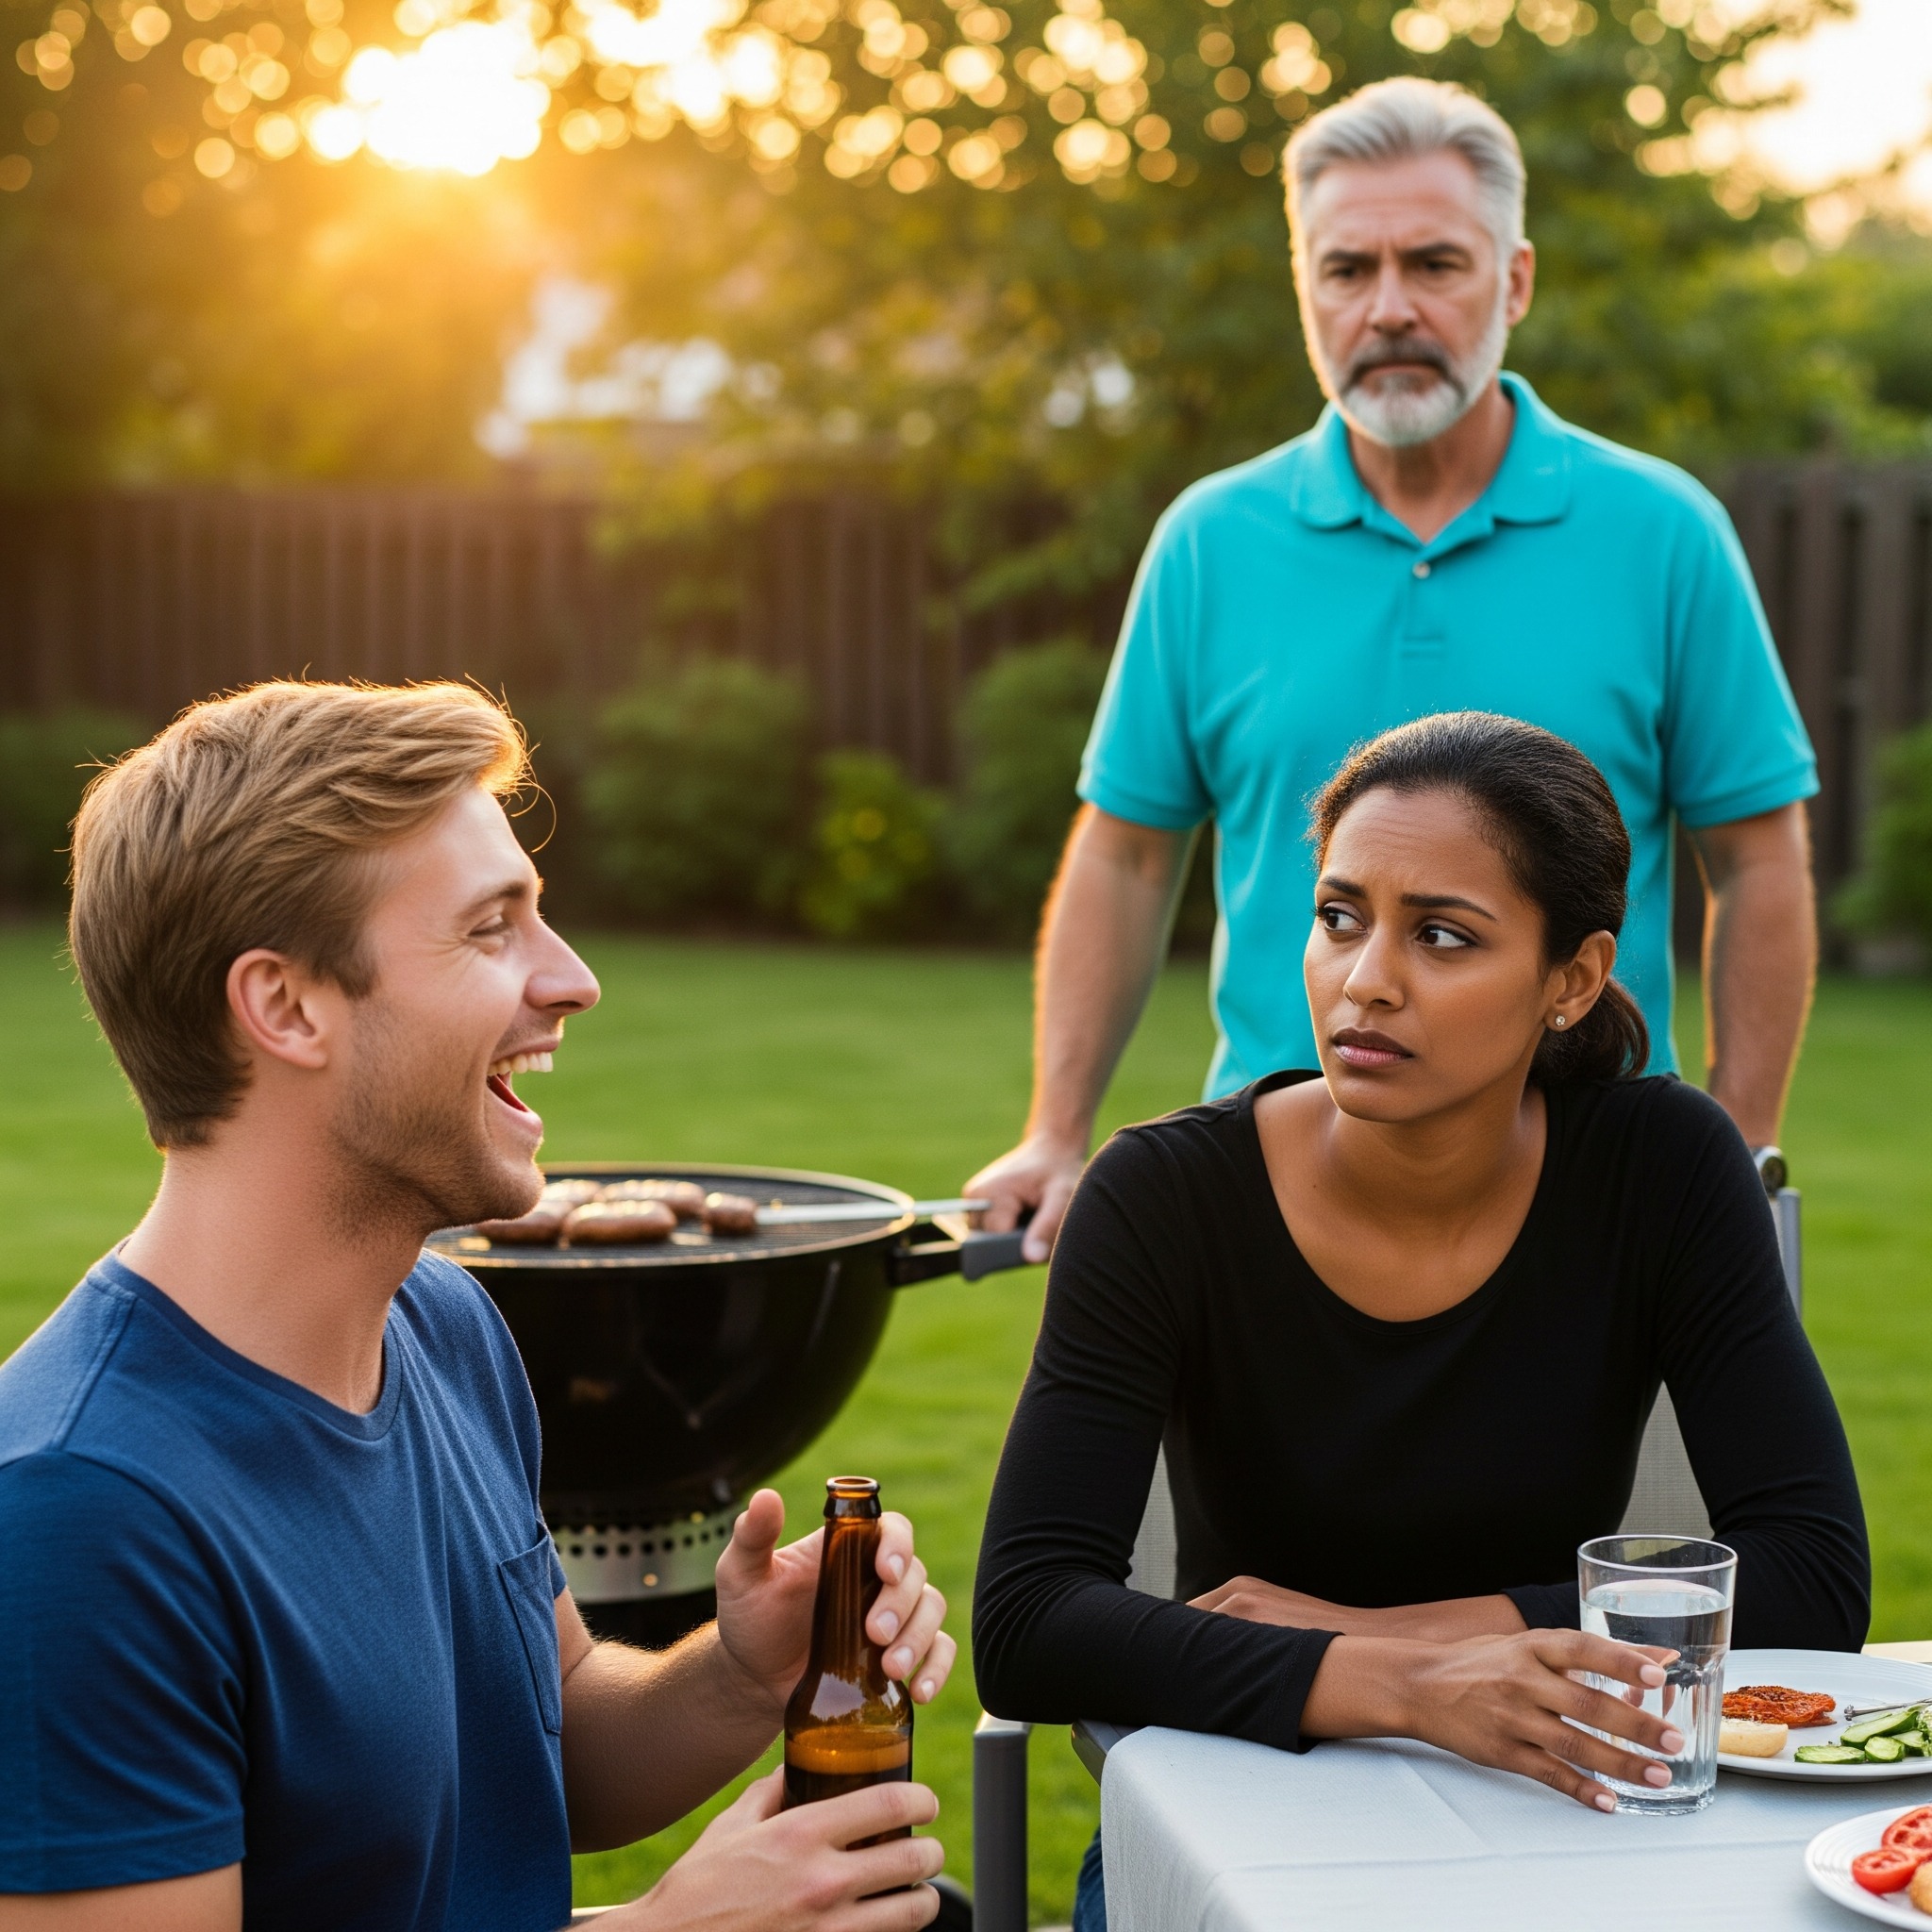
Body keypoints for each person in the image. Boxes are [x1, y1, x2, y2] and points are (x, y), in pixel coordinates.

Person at [0, 682, 957, 1932]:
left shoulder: (443, 1330)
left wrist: (741, 1671)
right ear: (285, 1007)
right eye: (492, 929)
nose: (575, 981)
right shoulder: (81, 1512)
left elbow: (548, 1750)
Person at [971, 713, 1867, 1927]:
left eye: (1440, 935)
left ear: (1572, 978)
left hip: (1571, 1806)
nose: (1364, 978)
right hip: (1238, 1821)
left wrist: (1391, 1638)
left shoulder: (1659, 1166)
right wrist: (1398, 1682)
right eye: (1339, 917)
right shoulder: (1166, 1195)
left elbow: (1811, 1577)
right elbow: (1029, 1620)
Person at [968, 76, 1819, 1262]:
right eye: (1345, 269)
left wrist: (1739, 1136)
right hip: (1265, 1191)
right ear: (1303, 287)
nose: (1387, 309)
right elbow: (1122, 851)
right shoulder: (1211, 540)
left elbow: (1755, 852)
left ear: (1511, 280)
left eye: (1433, 264)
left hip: (1600, 1199)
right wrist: (1055, 1131)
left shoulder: (1662, 532)